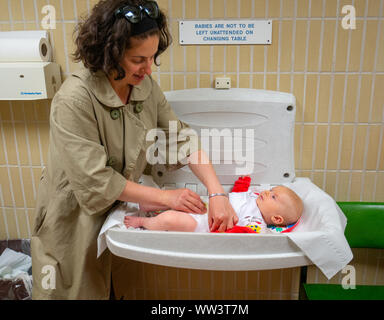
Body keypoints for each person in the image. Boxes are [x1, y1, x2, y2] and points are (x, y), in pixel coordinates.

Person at [31, 0, 237, 300]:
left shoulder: (144, 87)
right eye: (138, 59)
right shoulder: (74, 100)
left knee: (116, 290)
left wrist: (217, 192)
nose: (148, 68)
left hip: (120, 210)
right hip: (74, 217)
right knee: (75, 291)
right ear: (109, 53)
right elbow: (97, 180)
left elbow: (181, 139)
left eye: (152, 57)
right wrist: (166, 197)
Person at [124, 177, 304, 234]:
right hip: (204, 205)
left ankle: (142, 222)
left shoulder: (256, 221)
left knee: (170, 219)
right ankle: (148, 206)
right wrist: (242, 184)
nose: (266, 192)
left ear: (277, 218)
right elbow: (237, 195)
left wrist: (228, 232)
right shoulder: (254, 196)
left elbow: (244, 234)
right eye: (271, 190)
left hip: (202, 224)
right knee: (181, 199)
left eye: (273, 196)